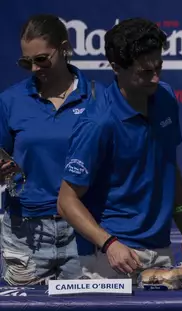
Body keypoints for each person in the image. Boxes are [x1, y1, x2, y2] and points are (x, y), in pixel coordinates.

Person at [57, 17, 182, 281]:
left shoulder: (166, 98)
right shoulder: (97, 122)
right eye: (145, 72)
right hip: (111, 257)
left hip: (162, 250)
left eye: (159, 67)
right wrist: (109, 243)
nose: (156, 77)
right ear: (116, 68)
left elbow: (170, 166)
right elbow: (66, 201)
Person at [0, 14, 103, 285]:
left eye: (42, 59)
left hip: (82, 231)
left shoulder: (97, 97)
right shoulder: (9, 101)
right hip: (25, 233)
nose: (34, 68)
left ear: (65, 48)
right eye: (26, 62)